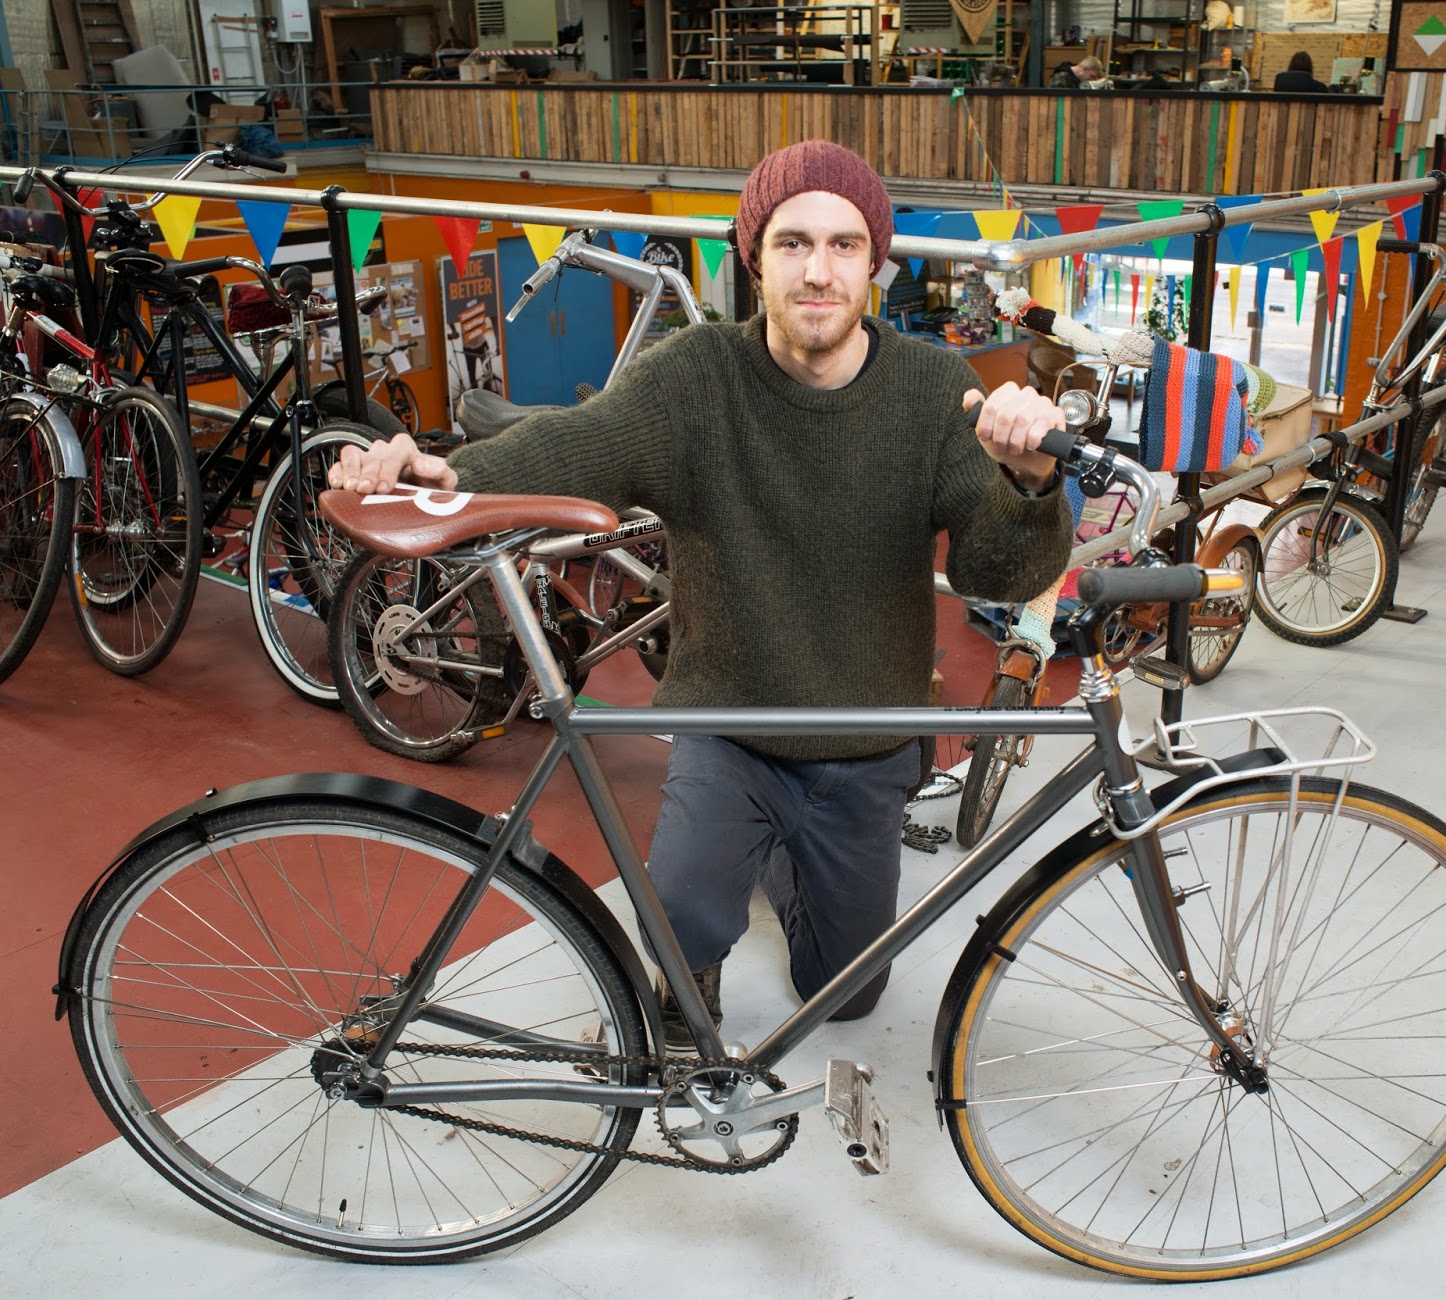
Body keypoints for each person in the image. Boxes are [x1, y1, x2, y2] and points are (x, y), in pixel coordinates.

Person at [327, 140, 1075, 1048]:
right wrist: (445, 474)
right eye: (792, 242)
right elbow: (580, 442)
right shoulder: (697, 375)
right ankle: (712, 923)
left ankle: (783, 860)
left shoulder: (931, 390)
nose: (818, 271)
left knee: (847, 995)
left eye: (843, 245)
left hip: (865, 738)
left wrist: (1029, 482)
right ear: (753, 258)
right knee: (678, 922)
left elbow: (1001, 576)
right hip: (728, 722)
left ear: (874, 262)